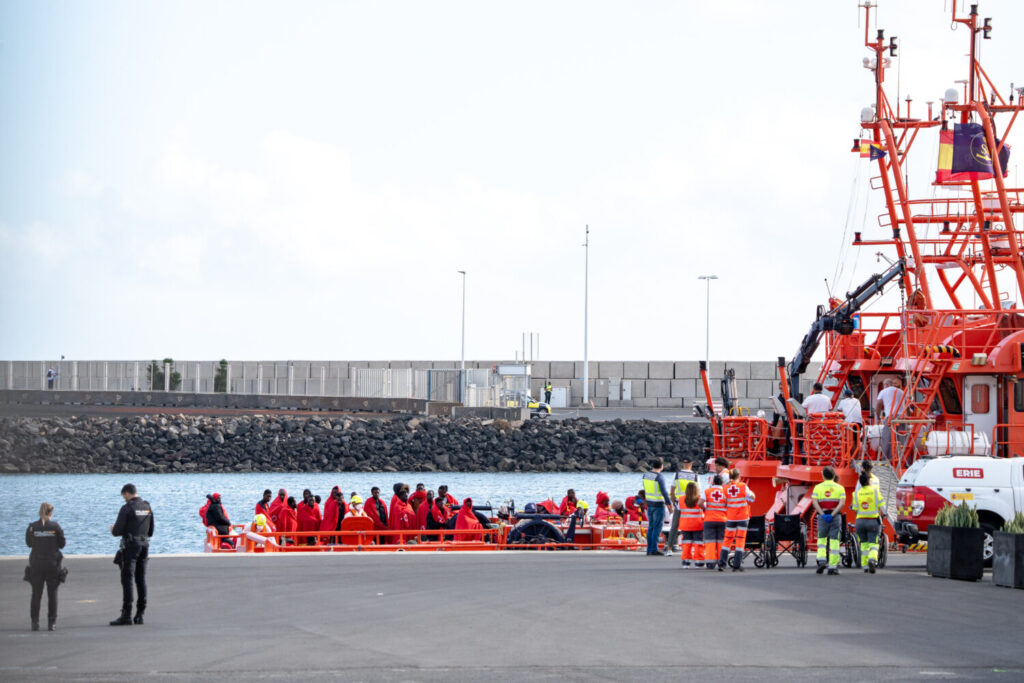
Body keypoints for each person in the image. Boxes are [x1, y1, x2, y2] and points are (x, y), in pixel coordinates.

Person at [110, 483, 154, 626]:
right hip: (144, 545)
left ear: (127, 494)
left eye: (124, 497)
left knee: (127, 579)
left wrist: (112, 529)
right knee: (141, 580)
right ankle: (140, 614)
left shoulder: (127, 508)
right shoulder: (147, 507)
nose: (124, 499)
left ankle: (126, 614)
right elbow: (151, 531)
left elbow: (117, 531)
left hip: (130, 546)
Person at [26, 502, 65, 631]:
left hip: (36, 563)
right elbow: (62, 544)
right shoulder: (55, 526)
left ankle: (35, 623)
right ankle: (51, 623)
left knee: (36, 594)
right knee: (52, 593)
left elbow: (29, 543)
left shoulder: (32, 527)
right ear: (50, 513)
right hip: (52, 564)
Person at [811, 466, 847, 575]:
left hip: (822, 517)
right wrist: (833, 514)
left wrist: (822, 514)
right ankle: (833, 566)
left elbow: (814, 502)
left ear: (823, 475)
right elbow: (842, 503)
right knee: (834, 541)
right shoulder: (840, 488)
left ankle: (822, 560)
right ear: (834, 475)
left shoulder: (817, 487)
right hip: (835, 517)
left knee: (821, 540)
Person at [722, 469, 756, 572]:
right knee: (740, 540)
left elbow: (724, 502)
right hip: (742, 518)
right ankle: (736, 565)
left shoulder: (725, 488)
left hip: (730, 518)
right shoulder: (743, 486)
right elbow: (751, 498)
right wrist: (752, 495)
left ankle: (721, 564)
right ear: (739, 476)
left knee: (727, 540)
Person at [854, 470, 886, 573]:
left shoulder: (856, 494)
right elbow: (882, 506)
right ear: (868, 481)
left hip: (860, 521)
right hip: (872, 521)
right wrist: (884, 514)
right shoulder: (875, 492)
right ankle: (872, 559)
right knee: (873, 543)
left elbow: (855, 509)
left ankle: (865, 566)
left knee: (863, 544)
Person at [641, 458, 673, 556]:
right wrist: (669, 504)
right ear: (661, 466)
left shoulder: (645, 475)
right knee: (657, 527)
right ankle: (654, 549)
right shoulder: (659, 477)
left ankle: (649, 549)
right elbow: (664, 492)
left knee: (651, 527)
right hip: (658, 504)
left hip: (649, 503)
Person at [668, 460, 699, 551]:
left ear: (683, 463)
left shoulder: (676, 474)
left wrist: (673, 502)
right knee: (693, 525)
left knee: (674, 526)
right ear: (691, 463)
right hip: (691, 503)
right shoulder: (695, 476)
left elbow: (672, 490)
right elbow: (698, 491)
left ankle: (669, 547)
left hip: (679, 503)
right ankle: (693, 547)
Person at [875, 378, 906, 460]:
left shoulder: (883, 392)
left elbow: (878, 405)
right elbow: (907, 406)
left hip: (890, 417)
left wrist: (878, 417)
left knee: (887, 439)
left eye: (884, 385)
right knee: (902, 438)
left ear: (886, 384)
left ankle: (887, 459)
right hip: (902, 417)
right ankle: (904, 459)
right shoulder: (901, 391)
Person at [702, 475, 727, 570]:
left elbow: (700, 502)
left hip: (709, 519)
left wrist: (706, 509)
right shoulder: (725, 492)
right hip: (723, 519)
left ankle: (710, 563)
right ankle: (721, 562)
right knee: (721, 542)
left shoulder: (707, 491)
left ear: (713, 482)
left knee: (710, 542)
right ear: (722, 483)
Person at [677, 482, 705, 569]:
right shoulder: (699, 499)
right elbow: (705, 508)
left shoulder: (681, 499)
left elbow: (679, 509)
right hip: (698, 525)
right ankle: (699, 563)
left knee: (686, 544)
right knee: (698, 544)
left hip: (685, 525)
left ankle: (686, 562)